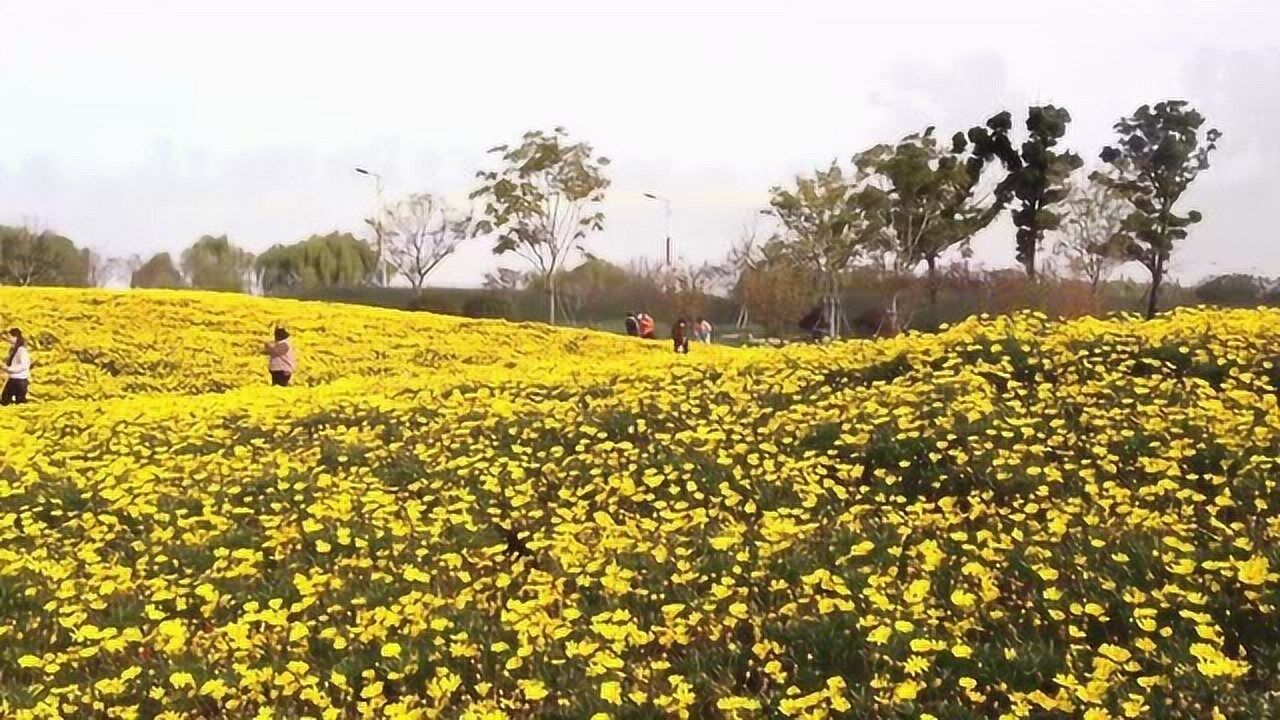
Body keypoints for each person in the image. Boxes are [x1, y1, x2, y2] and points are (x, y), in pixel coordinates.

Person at [2, 328, 30, 405]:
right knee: (5, 399)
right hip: (13, 379)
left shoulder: (22, 350)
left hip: (20, 380)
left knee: (19, 402)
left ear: (15, 337)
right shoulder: (14, 350)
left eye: (9, 336)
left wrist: (10, 369)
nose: (8, 339)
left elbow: (24, 365)